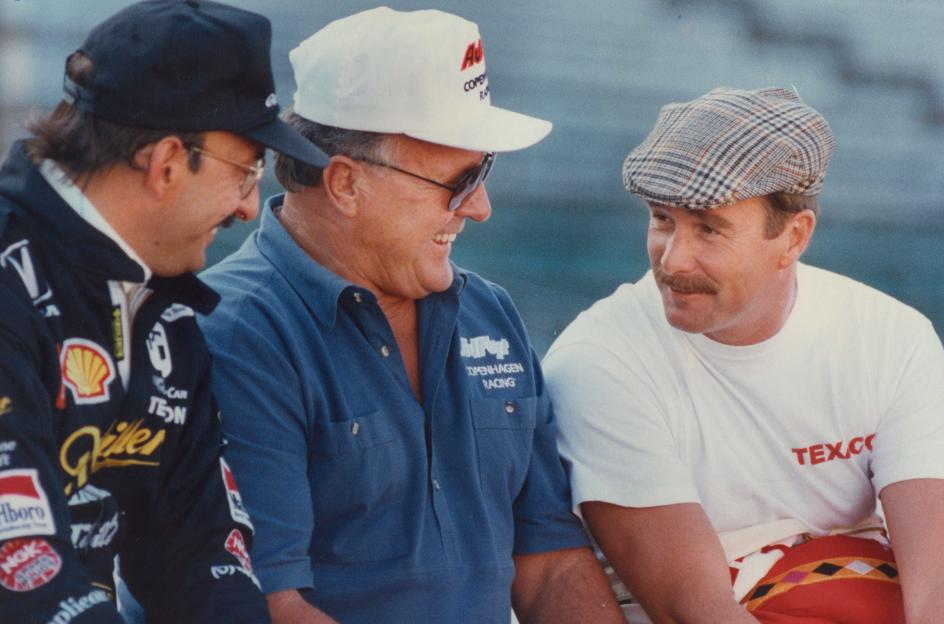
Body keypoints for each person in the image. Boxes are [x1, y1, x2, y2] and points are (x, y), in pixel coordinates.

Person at [198, 7, 623, 624]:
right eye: (459, 179)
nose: (480, 208)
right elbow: (261, 605)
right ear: (344, 184)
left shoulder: (489, 313)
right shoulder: (235, 332)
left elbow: (549, 561)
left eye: (486, 170)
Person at [543, 87, 944, 623]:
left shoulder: (892, 336)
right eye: (661, 219)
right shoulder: (597, 363)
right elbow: (694, 610)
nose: (672, 259)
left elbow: (941, 585)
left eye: (709, 229)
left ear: (794, 237)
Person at [0, 1, 329, 622]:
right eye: (247, 171)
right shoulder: (12, 287)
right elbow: (18, 569)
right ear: (168, 162)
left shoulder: (164, 304)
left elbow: (198, 547)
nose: (248, 207)